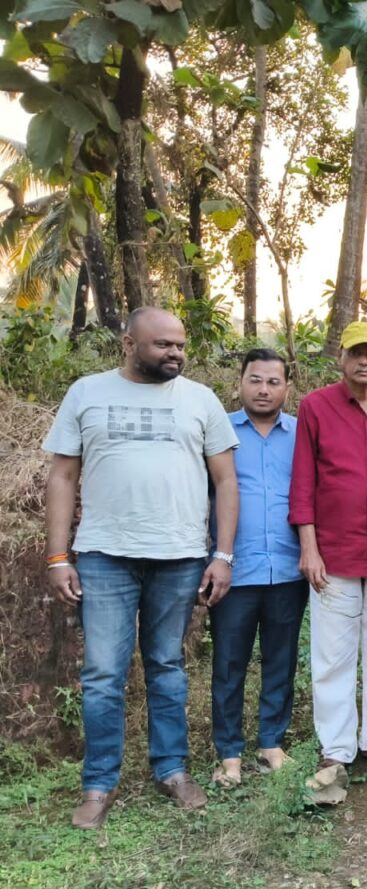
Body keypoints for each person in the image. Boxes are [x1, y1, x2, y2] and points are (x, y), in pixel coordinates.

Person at [43, 307, 240, 828]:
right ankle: (98, 783)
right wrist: (58, 556)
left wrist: (222, 554)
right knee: (103, 674)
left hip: (179, 556)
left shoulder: (200, 400)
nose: (176, 353)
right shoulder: (87, 393)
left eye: (180, 345)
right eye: (163, 344)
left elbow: (225, 481)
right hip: (104, 555)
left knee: (167, 666)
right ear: (129, 343)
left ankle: (171, 769)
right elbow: (62, 477)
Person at [289, 321, 367, 799]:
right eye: (355, 353)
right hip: (333, 554)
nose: (364, 361)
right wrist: (309, 546)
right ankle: (337, 747)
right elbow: (303, 480)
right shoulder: (315, 406)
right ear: (340, 358)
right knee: (332, 656)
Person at [209, 348, 309, 788]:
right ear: (240, 383)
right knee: (229, 663)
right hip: (234, 569)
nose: (264, 389)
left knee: (280, 660)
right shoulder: (219, 431)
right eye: (255, 380)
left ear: (288, 387)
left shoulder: (302, 434)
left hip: (288, 568)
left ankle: (271, 742)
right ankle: (229, 751)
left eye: (273, 381)